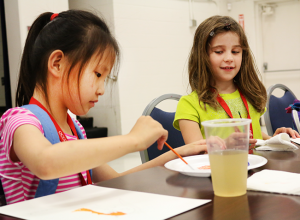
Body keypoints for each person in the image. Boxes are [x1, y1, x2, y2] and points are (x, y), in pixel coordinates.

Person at [0, 10, 207, 205]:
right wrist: (132, 140)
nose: (101, 90)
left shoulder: (75, 129)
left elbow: (117, 180)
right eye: (98, 74)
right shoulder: (21, 121)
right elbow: (45, 162)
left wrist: (180, 153)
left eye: (105, 79)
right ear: (57, 64)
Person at [173, 15, 299, 145]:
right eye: (218, 51)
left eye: (235, 51)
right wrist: (227, 146)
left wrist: (275, 139)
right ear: (202, 55)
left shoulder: (251, 95)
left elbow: (254, 136)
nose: (229, 58)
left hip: (259, 165)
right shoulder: (189, 105)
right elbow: (196, 153)